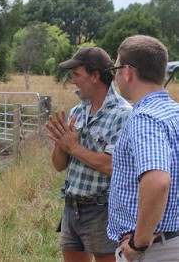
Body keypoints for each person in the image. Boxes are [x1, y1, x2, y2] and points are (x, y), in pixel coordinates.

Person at [46, 47, 132, 262]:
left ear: (95, 76)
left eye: (77, 75)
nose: (73, 81)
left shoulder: (122, 114)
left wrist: (74, 147)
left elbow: (112, 165)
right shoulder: (78, 110)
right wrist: (61, 143)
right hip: (72, 206)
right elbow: (59, 166)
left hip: (102, 210)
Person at [107, 35, 179, 261]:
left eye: (116, 68)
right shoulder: (173, 111)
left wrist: (139, 243)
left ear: (127, 72)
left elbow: (158, 181)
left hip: (155, 250)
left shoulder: (145, 118)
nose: (116, 75)